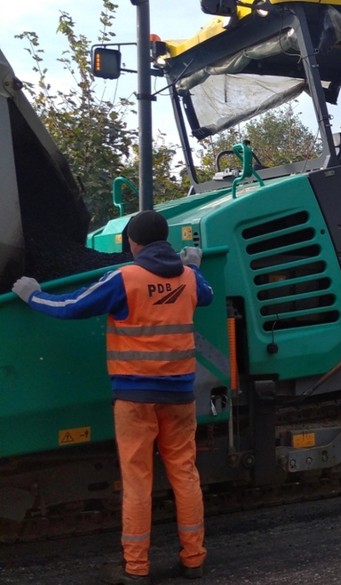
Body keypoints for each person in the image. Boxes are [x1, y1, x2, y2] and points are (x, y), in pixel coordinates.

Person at [12, 210, 212, 584]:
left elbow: (71, 306)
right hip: (180, 395)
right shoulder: (187, 279)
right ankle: (194, 559)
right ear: (164, 240)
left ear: (133, 244)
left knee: (138, 480)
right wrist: (195, 265)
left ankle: (137, 568)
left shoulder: (125, 278)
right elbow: (207, 295)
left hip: (136, 398)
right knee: (185, 474)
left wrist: (33, 295)